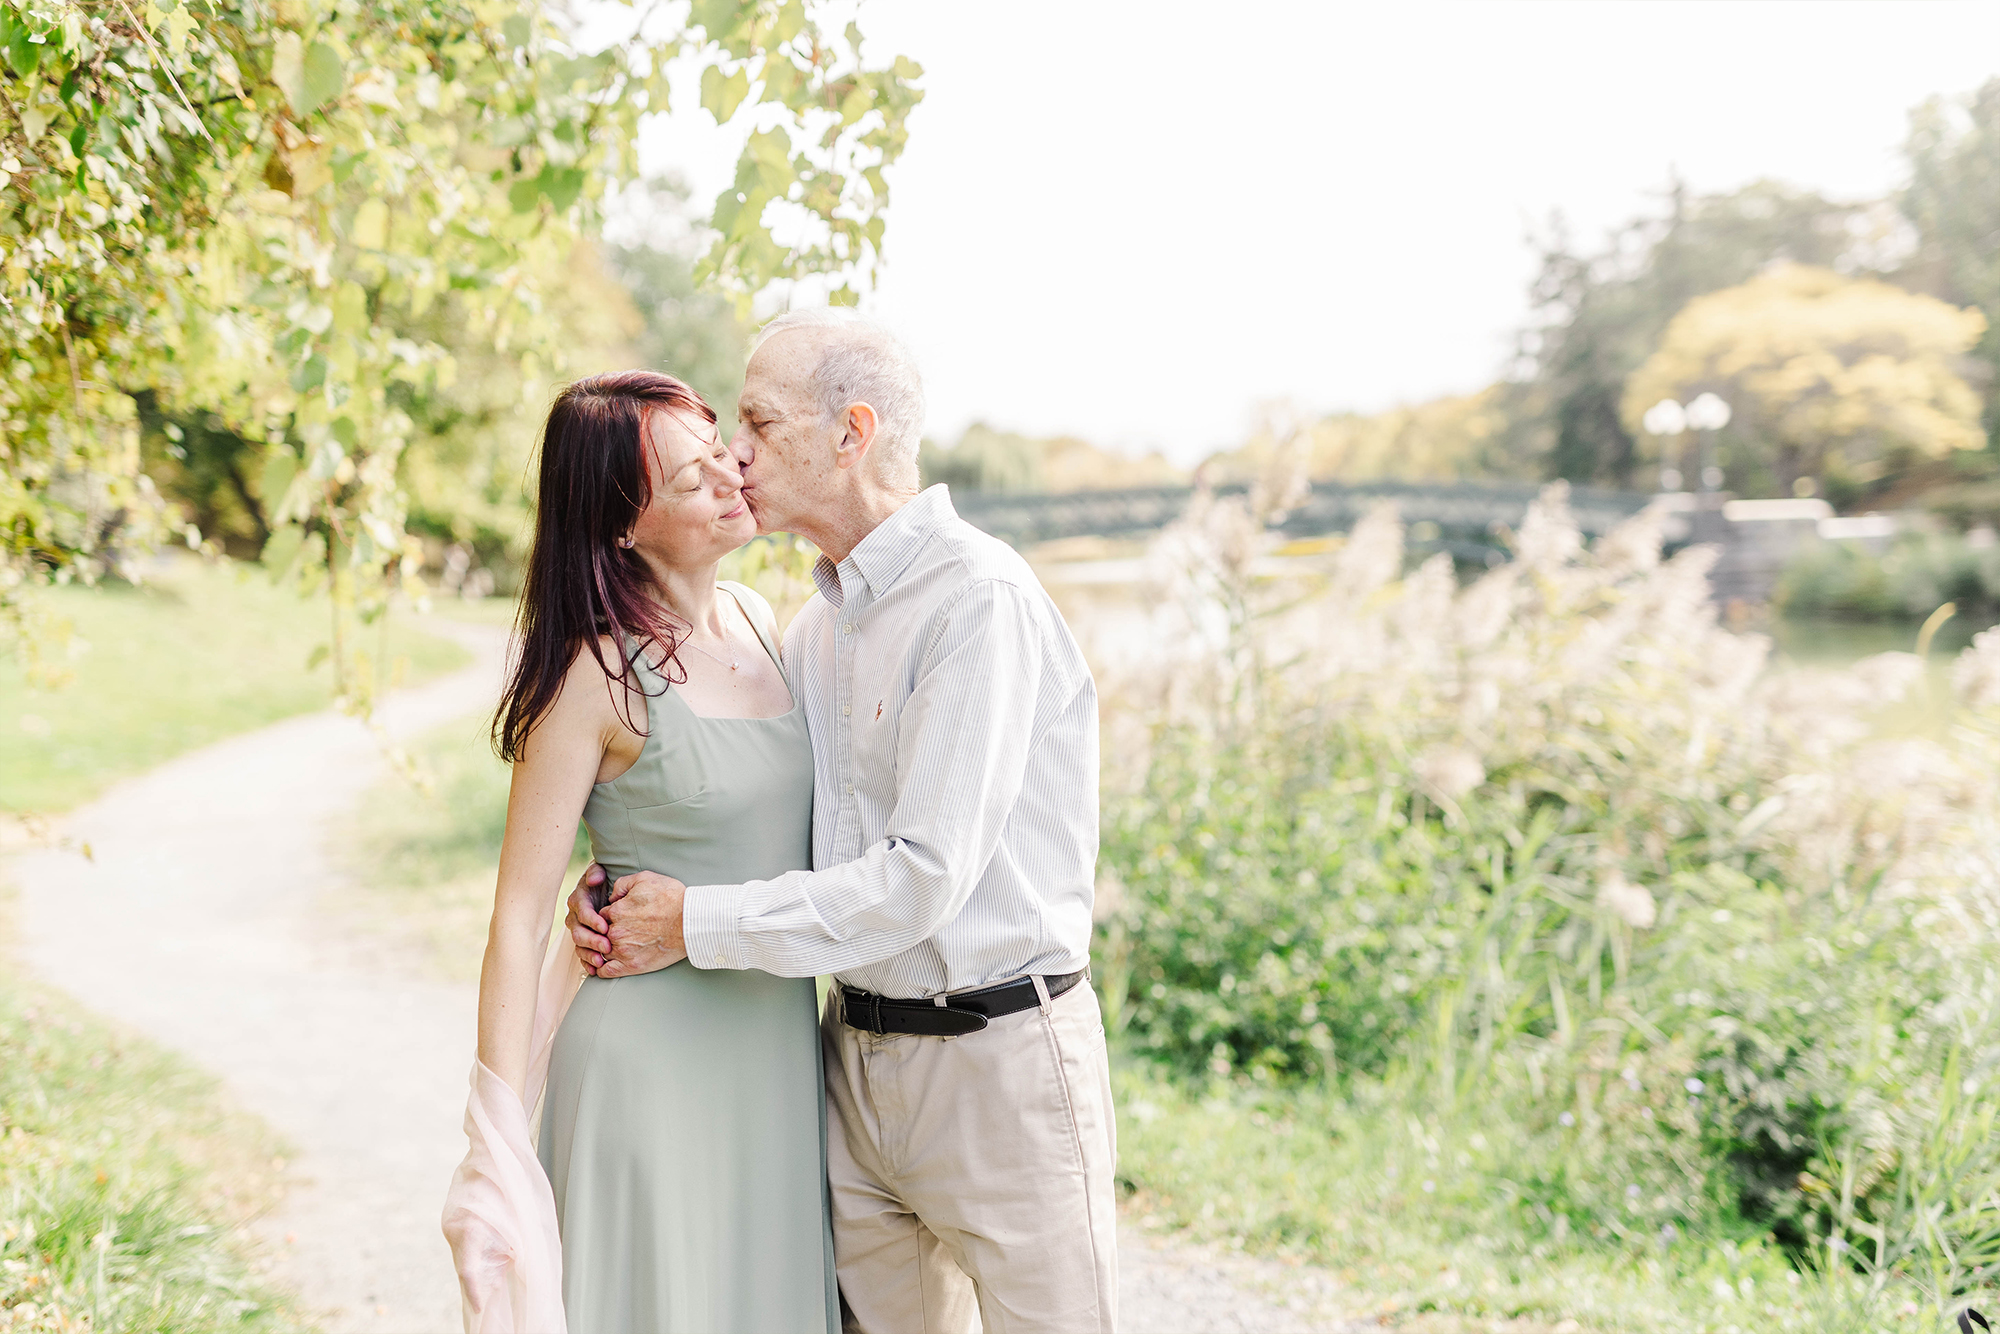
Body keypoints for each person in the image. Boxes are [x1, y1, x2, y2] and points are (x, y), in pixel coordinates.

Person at [566, 310, 1118, 1334]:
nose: (733, 451)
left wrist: (688, 920)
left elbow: (918, 882)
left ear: (850, 431)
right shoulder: (812, 629)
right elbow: (765, 816)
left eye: (759, 422)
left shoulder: (976, 601)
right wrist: (625, 871)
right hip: (848, 1065)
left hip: (997, 1061)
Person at [450, 370, 838, 1333]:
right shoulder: (595, 670)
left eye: (715, 445)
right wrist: (495, 1141)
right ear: (621, 525)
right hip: (646, 1072)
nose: (726, 474)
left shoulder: (760, 619)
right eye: (686, 475)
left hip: (777, 1061)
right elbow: (517, 915)